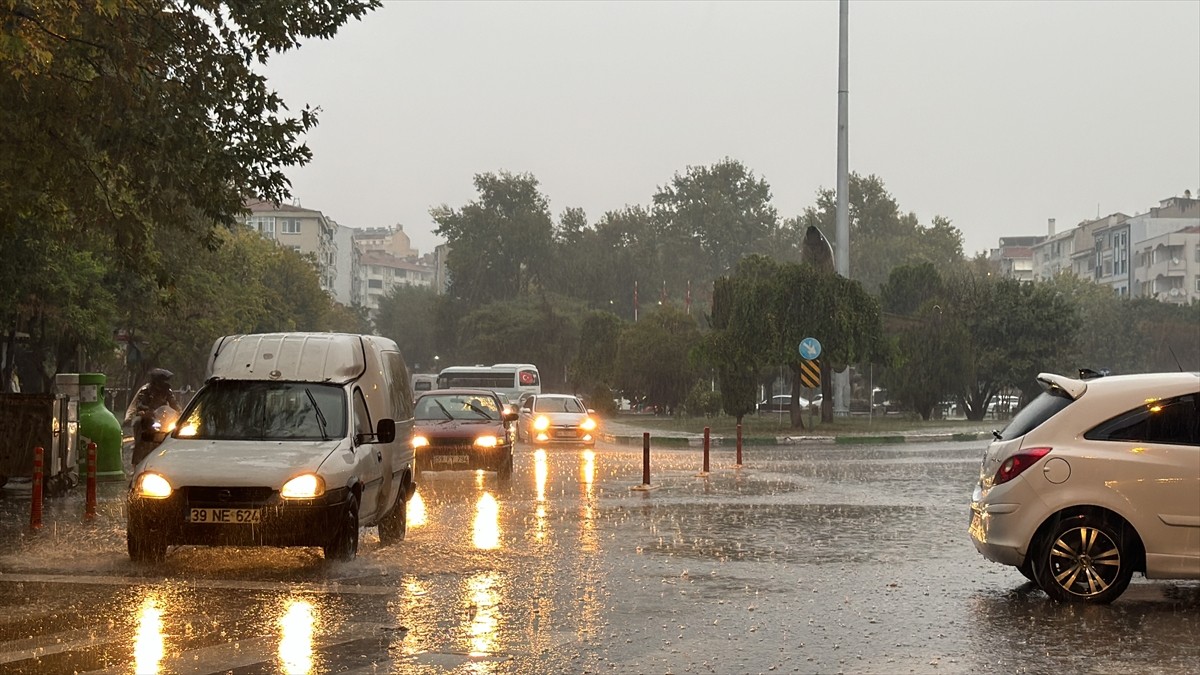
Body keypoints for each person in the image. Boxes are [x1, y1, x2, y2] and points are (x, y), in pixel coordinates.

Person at [125, 368, 182, 466]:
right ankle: (136, 461)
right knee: (138, 423)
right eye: (161, 380)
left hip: (162, 417)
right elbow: (139, 404)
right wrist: (146, 411)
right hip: (148, 417)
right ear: (156, 381)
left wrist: (181, 414)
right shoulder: (145, 390)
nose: (164, 383)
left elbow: (174, 404)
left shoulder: (167, 391)